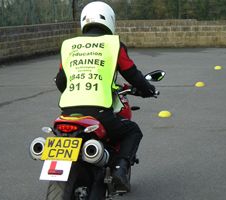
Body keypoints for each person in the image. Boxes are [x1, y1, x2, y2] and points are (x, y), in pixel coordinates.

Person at [55, 1, 156, 191]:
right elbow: (132, 74)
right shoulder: (113, 44)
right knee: (132, 131)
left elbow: (61, 81)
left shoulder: (69, 45)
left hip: (66, 113)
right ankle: (119, 171)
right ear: (110, 20)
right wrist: (149, 89)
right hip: (99, 112)